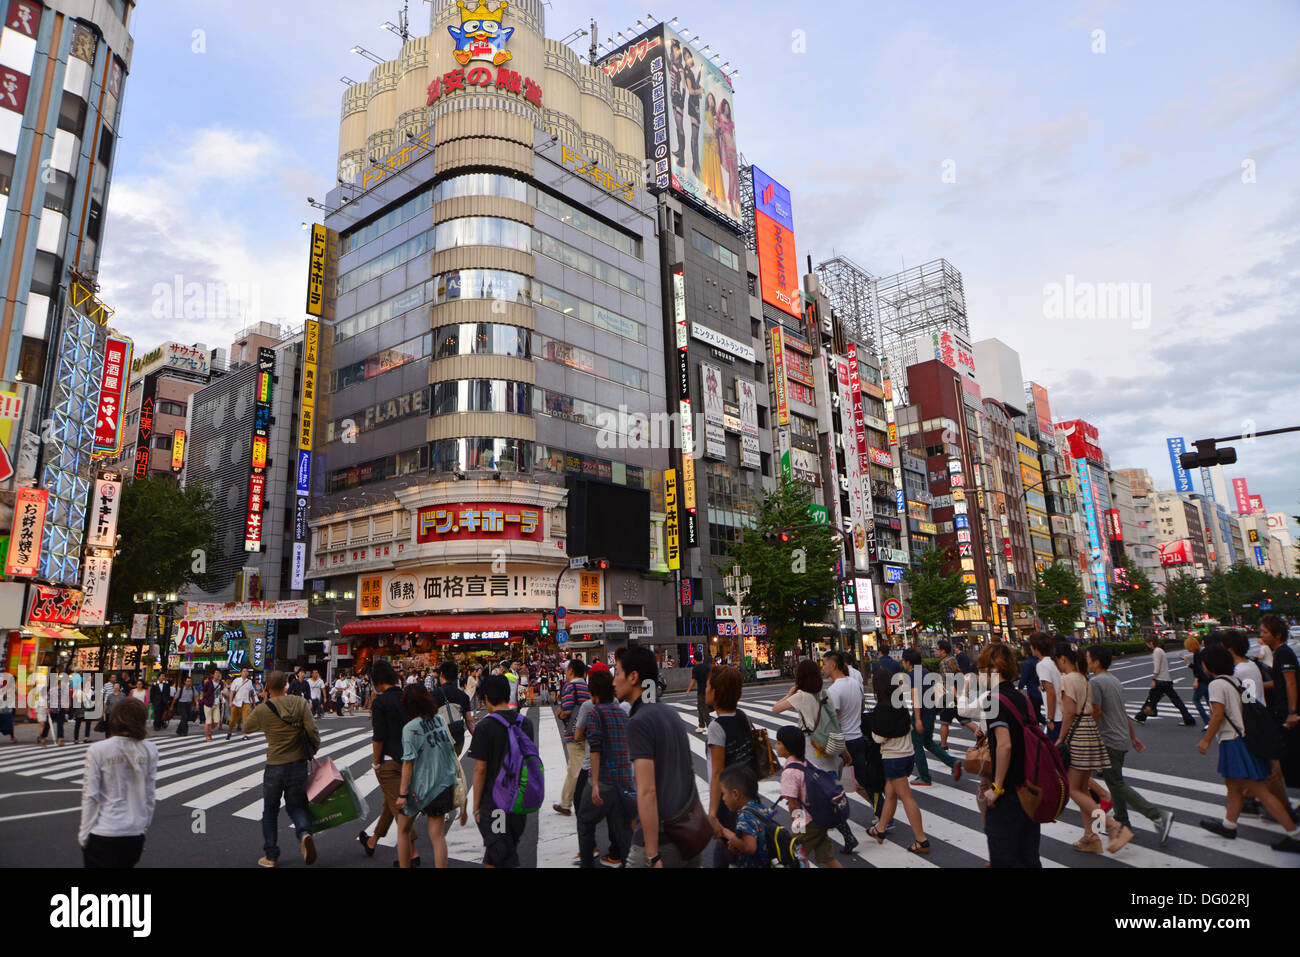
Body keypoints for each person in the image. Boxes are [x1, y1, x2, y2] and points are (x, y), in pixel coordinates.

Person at [1196, 644, 1300, 851]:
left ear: (1208, 665)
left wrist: (1206, 740)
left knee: (1261, 791)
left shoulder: (1216, 685)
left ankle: (1294, 835)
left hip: (1235, 742)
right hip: (1243, 740)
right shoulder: (1235, 681)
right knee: (1233, 787)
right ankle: (1229, 825)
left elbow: (1217, 715)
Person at [618, 646, 704, 867]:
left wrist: (652, 854)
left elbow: (647, 791)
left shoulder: (638, 722)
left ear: (633, 677)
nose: (613, 681)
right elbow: (689, 770)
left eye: (618, 674)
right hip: (689, 837)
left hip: (662, 841)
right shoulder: (670, 714)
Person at [1085, 644, 1175, 847]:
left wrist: (1090, 737)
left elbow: (1097, 711)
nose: (1087, 661)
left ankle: (1158, 815)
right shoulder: (1114, 680)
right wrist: (1132, 737)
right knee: (1114, 782)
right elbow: (1121, 712)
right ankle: (1124, 825)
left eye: (1089, 657)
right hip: (1121, 737)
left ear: (1097, 661)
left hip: (1109, 739)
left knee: (1116, 783)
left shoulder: (1096, 682)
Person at [240, 670, 320, 867]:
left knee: (270, 811)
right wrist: (313, 749)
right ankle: (304, 833)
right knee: (297, 806)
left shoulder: (263, 709)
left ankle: (271, 855)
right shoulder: (299, 703)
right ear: (286, 684)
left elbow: (246, 727)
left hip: (275, 764)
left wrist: (260, 705)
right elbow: (312, 731)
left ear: (267, 687)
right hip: (298, 763)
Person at [1052, 642, 1123, 853]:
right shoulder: (1083, 677)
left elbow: (1069, 712)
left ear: (1062, 659)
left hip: (1077, 735)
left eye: (1056, 660)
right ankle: (1091, 835)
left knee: (1073, 790)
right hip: (1089, 731)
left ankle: (1111, 825)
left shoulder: (1066, 679)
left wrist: (1060, 739)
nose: (1056, 664)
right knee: (1083, 789)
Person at [976, 643, 1042, 867]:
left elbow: (1004, 745)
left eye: (982, 668)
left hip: (1009, 793)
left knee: (1005, 856)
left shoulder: (993, 700)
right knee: (1029, 856)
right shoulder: (1020, 697)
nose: (979, 674)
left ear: (993, 670)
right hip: (1028, 787)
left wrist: (996, 788)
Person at [78, 697, 156, 868]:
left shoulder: (98, 750)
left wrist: (84, 835)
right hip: (134, 834)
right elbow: (150, 796)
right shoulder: (150, 749)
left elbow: (90, 796)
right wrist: (143, 829)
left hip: (104, 831)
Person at [469, 674, 533, 868]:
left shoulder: (485, 727)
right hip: (519, 801)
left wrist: (476, 806)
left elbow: (480, 770)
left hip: (496, 805)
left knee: (504, 856)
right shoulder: (525, 723)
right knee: (497, 853)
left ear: (487, 698)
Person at [394, 684, 460, 868]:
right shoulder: (439, 720)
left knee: (403, 829)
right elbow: (450, 748)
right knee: (437, 836)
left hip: (420, 788)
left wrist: (402, 794)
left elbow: (408, 763)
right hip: (443, 784)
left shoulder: (410, 728)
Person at [866, 669, 930, 854]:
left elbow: (879, 738)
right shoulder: (899, 703)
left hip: (894, 757)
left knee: (906, 797)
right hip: (907, 754)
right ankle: (880, 829)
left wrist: (873, 731)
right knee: (890, 793)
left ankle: (921, 839)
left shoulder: (882, 708)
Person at [360, 661, 417, 865]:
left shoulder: (381, 702)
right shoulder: (406, 697)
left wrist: (376, 763)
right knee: (390, 801)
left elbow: (379, 737)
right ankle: (372, 841)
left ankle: (413, 855)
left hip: (389, 761)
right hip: (409, 759)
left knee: (400, 807)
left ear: (377, 681)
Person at [578, 667, 633, 868]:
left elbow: (595, 748)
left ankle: (586, 863)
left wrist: (594, 784)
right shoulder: (622, 713)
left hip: (605, 780)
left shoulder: (595, 713)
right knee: (623, 830)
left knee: (585, 821)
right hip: (625, 780)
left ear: (593, 693)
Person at [705, 665, 759, 866]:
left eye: (708, 686)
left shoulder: (716, 727)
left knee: (732, 853)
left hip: (729, 801)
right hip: (747, 796)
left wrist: (711, 812)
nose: (705, 690)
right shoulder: (743, 717)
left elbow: (718, 771)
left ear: (717, 692)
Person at [775, 725, 840, 868]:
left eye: (779, 743)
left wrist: (796, 825)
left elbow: (793, 803)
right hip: (820, 816)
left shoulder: (790, 772)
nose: (776, 746)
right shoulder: (806, 763)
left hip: (807, 821)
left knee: (792, 854)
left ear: (788, 747)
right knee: (827, 857)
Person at [900, 648, 963, 788]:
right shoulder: (926, 672)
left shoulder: (912, 676)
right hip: (931, 712)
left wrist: (917, 719)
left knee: (916, 744)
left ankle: (924, 777)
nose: (903, 663)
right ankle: (952, 762)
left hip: (921, 714)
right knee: (928, 742)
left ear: (908, 662)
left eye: (903, 661)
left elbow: (916, 699)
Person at [553, 658, 589, 817]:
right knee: (577, 766)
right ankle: (566, 802)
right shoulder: (586, 686)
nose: (565, 673)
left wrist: (560, 713)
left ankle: (569, 804)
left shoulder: (570, 686)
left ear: (571, 671)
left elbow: (567, 710)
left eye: (566, 670)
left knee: (576, 768)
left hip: (573, 731)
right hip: (586, 730)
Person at [1136, 634, 1196, 726]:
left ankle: (1141, 716)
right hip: (1166, 680)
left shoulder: (1156, 652)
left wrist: (1154, 679)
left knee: (1151, 699)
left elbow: (1157, 667)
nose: (1147, 645)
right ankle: (1188, 718)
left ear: (1151, 643)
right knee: (1175, 700)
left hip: (1160, 680)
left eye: (1147, 644)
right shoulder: (1161, 650)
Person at [717, 764, 767, 868]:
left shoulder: (745, 816)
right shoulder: (759, 807)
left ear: (735, 794)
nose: (723, 798)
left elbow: (749, 847)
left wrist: (725, 832)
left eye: (724, 793)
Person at [432, 661, 474, 755]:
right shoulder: (463, 696)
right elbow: (469, 721)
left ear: (441, 674)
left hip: (440, 738)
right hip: (458, 737)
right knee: (455, 763)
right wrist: (477, 740)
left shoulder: (434, 695)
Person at [1029, 632, 1063, 739]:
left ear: (1036, 647)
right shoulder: (1054, 661)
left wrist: (1050, 719)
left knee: (1056, 751)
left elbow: (1051, 692)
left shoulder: (1042, 665)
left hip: (1056, 717)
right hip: (1063, 713)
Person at [1181, 637, 1211, 726]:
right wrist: (1188, 662)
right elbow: (1197, 667)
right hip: (1207, 680)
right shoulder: (1200, 654)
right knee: (1209, 701)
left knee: (1196, 700)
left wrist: (1196, 681)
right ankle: (1219, 718)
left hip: (1201, 680)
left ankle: (1207, 721)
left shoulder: (1197, 655)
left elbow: (1198, 669)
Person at [227, 668, 257, 739]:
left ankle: (244, 734)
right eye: (244, 671)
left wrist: (254, 702)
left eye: (247, 671)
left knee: (245, 719)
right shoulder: (236, 681)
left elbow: (252, 693)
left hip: (246, 702)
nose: (245, 672)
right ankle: (230, 731)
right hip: (236, 702)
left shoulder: (249, 682)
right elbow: (232, 692)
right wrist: (230, 702)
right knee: (232, 720)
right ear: (241, 673)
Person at [686, 655, 712, 732]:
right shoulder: (706, 667)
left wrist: (688, 690)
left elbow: (693, 680)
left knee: (703, 708)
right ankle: (701, 725)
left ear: (695, 659)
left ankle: (709, 726)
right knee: (701, 707)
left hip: (701, 690)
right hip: (707, 689)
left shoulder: (696, 668)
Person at [200, 670, 219, 741]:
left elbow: (222, 691)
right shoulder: (208, 683)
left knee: (216, 721)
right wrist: (202, 699)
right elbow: (202, 691)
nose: (217, 674)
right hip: (208, 703)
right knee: (208, 721)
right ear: (213, 675)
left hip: (216, 703)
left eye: (218, 673)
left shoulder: (220, 683)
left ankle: (209, 730)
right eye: (216, 673)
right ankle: (207, 736)